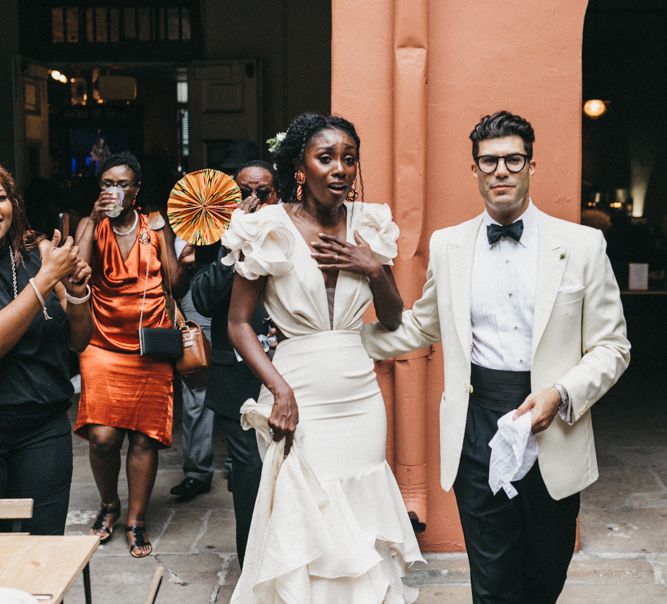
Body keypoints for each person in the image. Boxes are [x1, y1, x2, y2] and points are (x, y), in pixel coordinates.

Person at [362, 110, 631, 603]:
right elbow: (423, 326)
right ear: (475, 170)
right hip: (476, 425)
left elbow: (613, 347)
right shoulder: (449, 245)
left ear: (531, 166)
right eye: (489, 161)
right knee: (491, 578)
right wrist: (342, 343)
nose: (501, 171)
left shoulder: (583, 245)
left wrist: (560, 394)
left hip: (554, 423)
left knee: (546, 572)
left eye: (513, 159)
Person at [224, 113, 424, 602]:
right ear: (300, 167)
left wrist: (373, 269)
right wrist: (279, 390)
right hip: (298, 392)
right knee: (308, 512)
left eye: (349, 159)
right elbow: (238, 323)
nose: (340, 168)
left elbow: (395, 318)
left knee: (358, 512)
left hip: (359, 396)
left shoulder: (370, 224)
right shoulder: (267, 227)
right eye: (326, 157)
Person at [74, 151, 192, 558]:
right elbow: (79, 271)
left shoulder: (156, 228)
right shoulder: (91, 225)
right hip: (103, 343)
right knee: (103, 437)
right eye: (108, 183)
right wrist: (92, 219)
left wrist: (186, 260)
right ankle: (109, 504)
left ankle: (136, 520)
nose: (115, 191)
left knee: (144, 439)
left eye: (123, 184)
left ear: (136, 190)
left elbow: (175, 285)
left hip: (150, 345)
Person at [170, 160, 279, 504]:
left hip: (286, 366)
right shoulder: (214, 237)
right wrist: (234, 244)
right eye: (244, 193)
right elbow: (202, 299)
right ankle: (251, 556)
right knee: (249, 474)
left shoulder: (291, 231)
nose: (254, 199)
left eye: (262, 192)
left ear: (276, 196)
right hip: (234, 375)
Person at [0, 165, 93, 535]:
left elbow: (78, 340)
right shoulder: (44, 269)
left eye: (1, 197)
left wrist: (77, 290)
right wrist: (45, 279)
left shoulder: (39, 252)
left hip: (42, 428)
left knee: (42, 547)